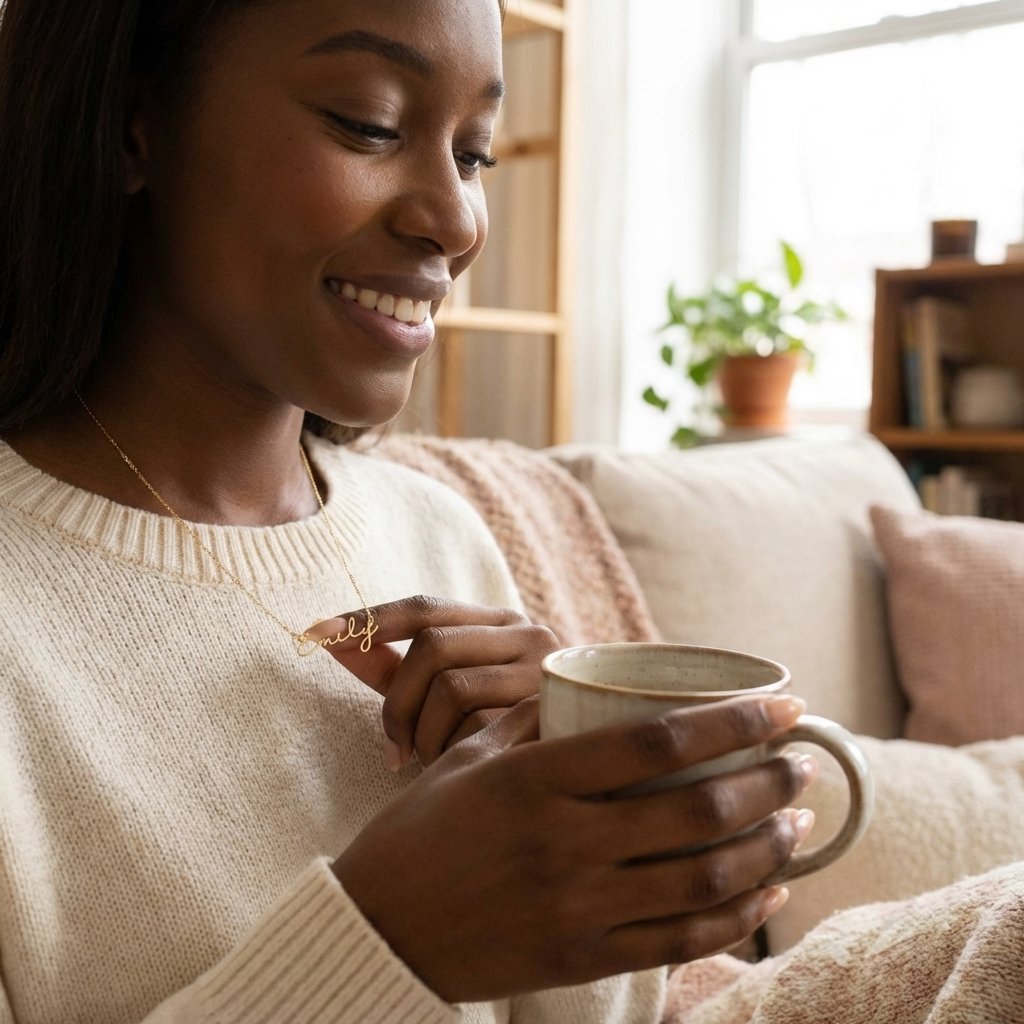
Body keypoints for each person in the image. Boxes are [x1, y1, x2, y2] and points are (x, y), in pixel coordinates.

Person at [0, 0, 817, 1020]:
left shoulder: (439, 534)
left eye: (473, 154)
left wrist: (584, 848)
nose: (457, 219)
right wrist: (391, 944)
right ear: (131, 127)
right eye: (370, 124)